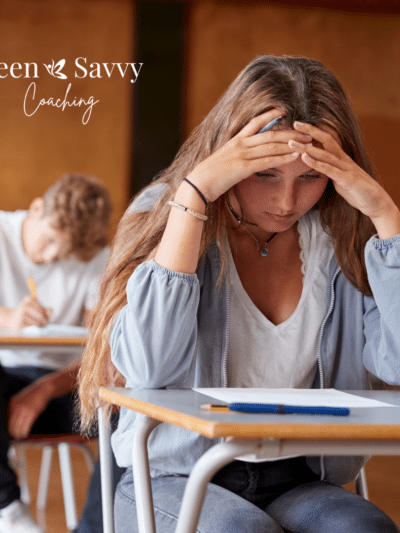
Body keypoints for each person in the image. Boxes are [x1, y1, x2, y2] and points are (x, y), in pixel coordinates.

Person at [78, 55, 400, 533]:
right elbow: (147, 367)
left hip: (301, 478)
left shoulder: (344, 237)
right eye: (265, 174)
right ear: (227, 156)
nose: (286, 202)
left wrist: (385, 215)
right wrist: (194, 196)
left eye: (310, 178)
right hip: (175, 476)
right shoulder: (166, 214)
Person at [0, 173, 117, 533]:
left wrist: (44, 390)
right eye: (50, 239)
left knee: (123, 413)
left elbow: (102, 354)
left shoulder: (96, 256)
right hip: (3, 380)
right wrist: (9, 319)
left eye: (64, 253)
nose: (52, 257)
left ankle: (94, 529)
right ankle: (6, 508)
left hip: (64, 385)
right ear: (36, 208)